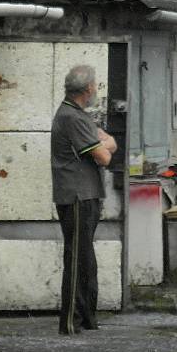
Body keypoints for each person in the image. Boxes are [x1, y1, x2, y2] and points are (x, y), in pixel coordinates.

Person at [51, 65, 117, 335]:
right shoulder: (73, 118)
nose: (96, 89)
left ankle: (87, 318)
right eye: (95, 85)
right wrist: (106, 145)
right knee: (78, 257)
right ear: (89, 88)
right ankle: (70, 321)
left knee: (86, 258)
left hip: (86, 193)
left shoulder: (78, 115)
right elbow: (105, 155)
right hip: (77, 194)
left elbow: (108, 143)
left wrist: (106, 143)